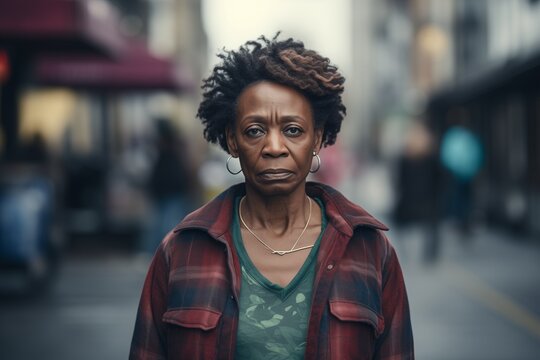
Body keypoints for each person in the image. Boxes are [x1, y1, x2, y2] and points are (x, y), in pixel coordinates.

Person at [130, 35, 414, 360]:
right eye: (254, 130)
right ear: (232, 140)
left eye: (293, 130)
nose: (275, 147)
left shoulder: (370, 251)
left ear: (318, 139)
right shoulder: (181, 251)